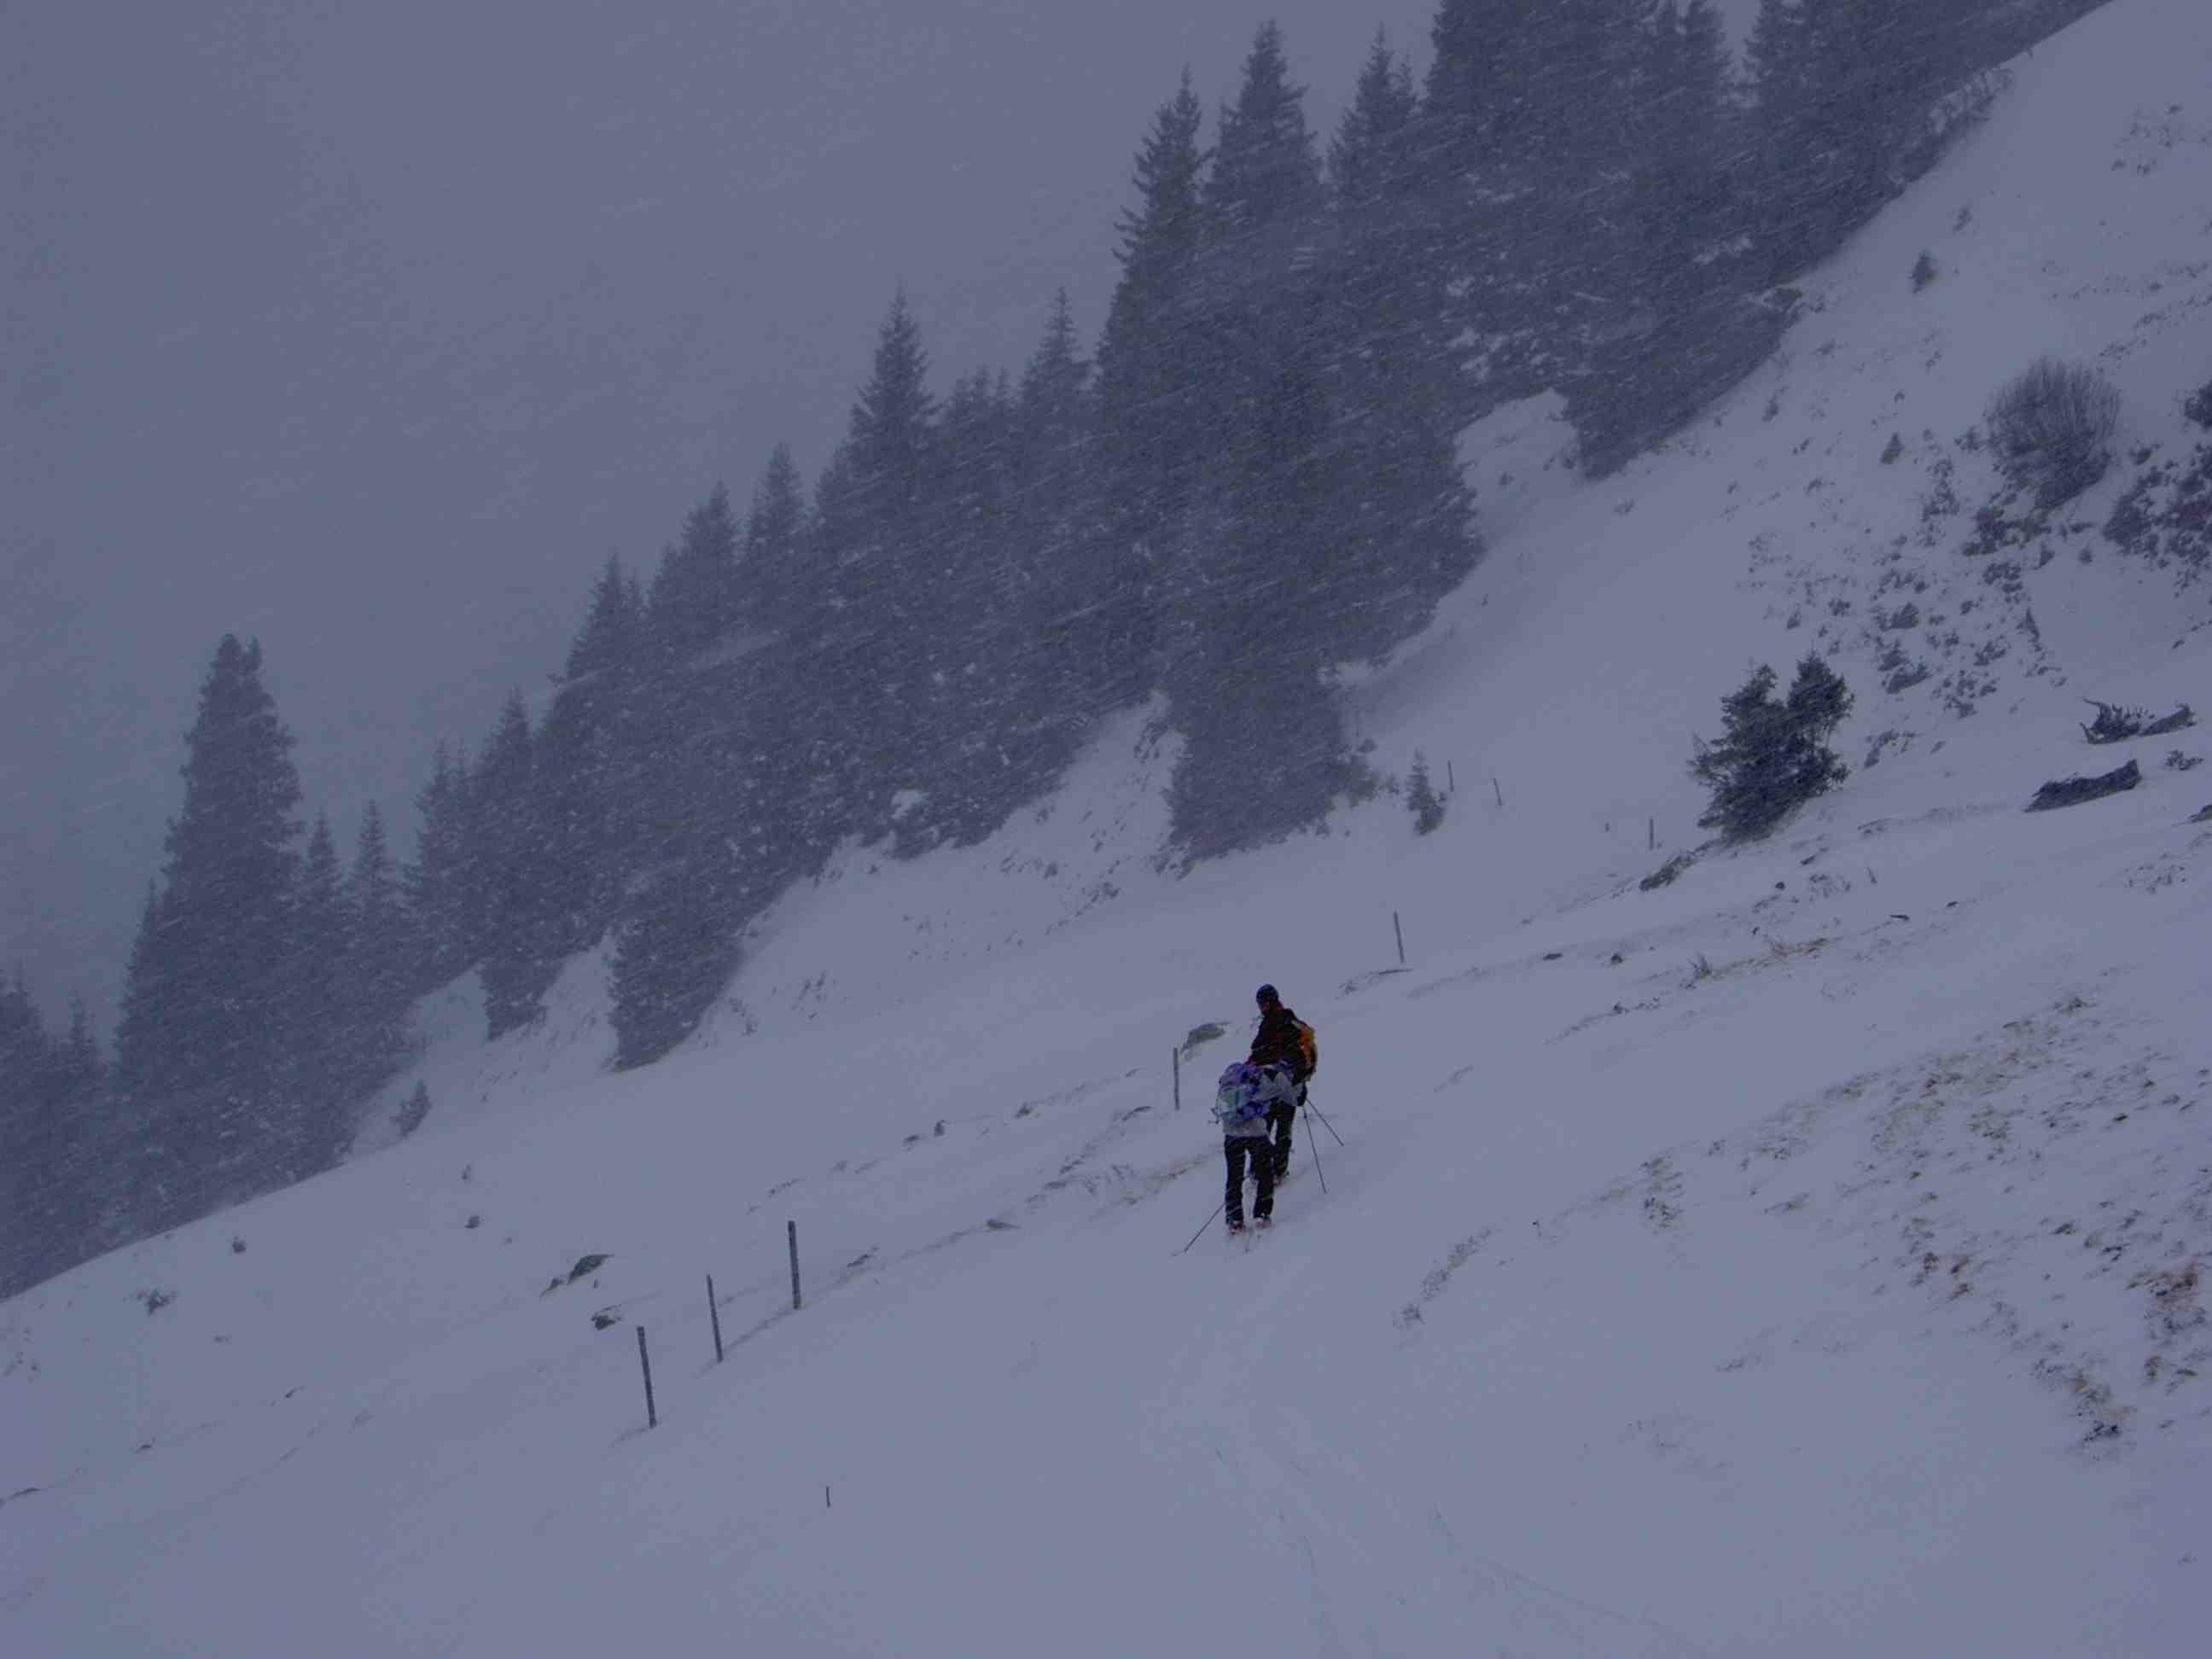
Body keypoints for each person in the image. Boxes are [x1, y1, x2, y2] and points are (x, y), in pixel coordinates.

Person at [1213, 1060, 1295, 1232]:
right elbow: (1290, 1098)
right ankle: (1262, 1214)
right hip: (1255, 1133)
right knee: (1265, 1173)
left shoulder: (1234, 1076)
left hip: (1231, 1133)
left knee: (1234, 1176)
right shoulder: (1267, 1079)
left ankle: (1234, 1219)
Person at [1246, 984, 1315, 1182]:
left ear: (1271, 1001)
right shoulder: (1279, 1022)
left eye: (1263, 1003)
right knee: (1279, 1130)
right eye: (1260, 1004)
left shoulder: (1281, 1021)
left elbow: (1263, 1053)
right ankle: (1274, 1170)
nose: (1261, 1007)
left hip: (1279, 1086)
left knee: (1268, 1129)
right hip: (1280, 1086)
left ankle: (1265, 1172)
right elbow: (1259, 1053)